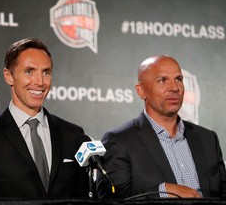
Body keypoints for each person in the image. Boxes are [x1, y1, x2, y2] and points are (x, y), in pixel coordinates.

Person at [0, 37, 89, 199]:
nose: (40, 82)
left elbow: (82, 199)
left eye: (46, 72)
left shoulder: (73, 135)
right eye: (29, 71)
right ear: (8, 76)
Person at [96, 55, 226, 199]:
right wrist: (162, 191)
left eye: (179, 79)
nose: (175, 88)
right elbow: (111, 197)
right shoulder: (119, 141)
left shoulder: (208, 139)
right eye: (163, 80)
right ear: (141, 91)